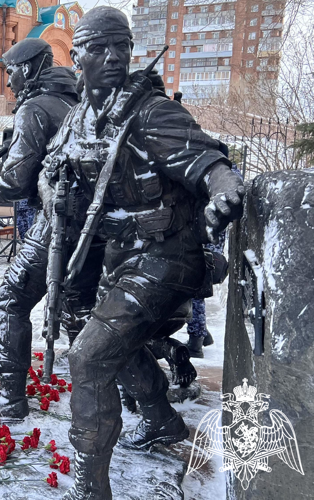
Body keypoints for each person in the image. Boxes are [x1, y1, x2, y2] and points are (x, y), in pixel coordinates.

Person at [43, 7, 245, 498]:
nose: (113, 58)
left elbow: (210, 162)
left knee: (88, 359)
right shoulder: (77, 119)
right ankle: (162, 421)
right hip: (121, 256)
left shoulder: (152, 112)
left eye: (122, 48)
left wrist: (225, 191)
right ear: (78, 57)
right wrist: (57, 199)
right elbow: (50, 174)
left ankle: (90, 489)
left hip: (168, 254)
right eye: (99, 48)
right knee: (114, 345)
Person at [0, 39, 102, 421]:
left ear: (32, 67)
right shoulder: (73, 103)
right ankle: (116, 404)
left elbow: (16, 182)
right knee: (80, 311)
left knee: (10, 298)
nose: (9, 80)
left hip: (59, 222)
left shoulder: (35, 108)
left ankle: (10, 398)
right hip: (94, 228)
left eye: (12, 70)